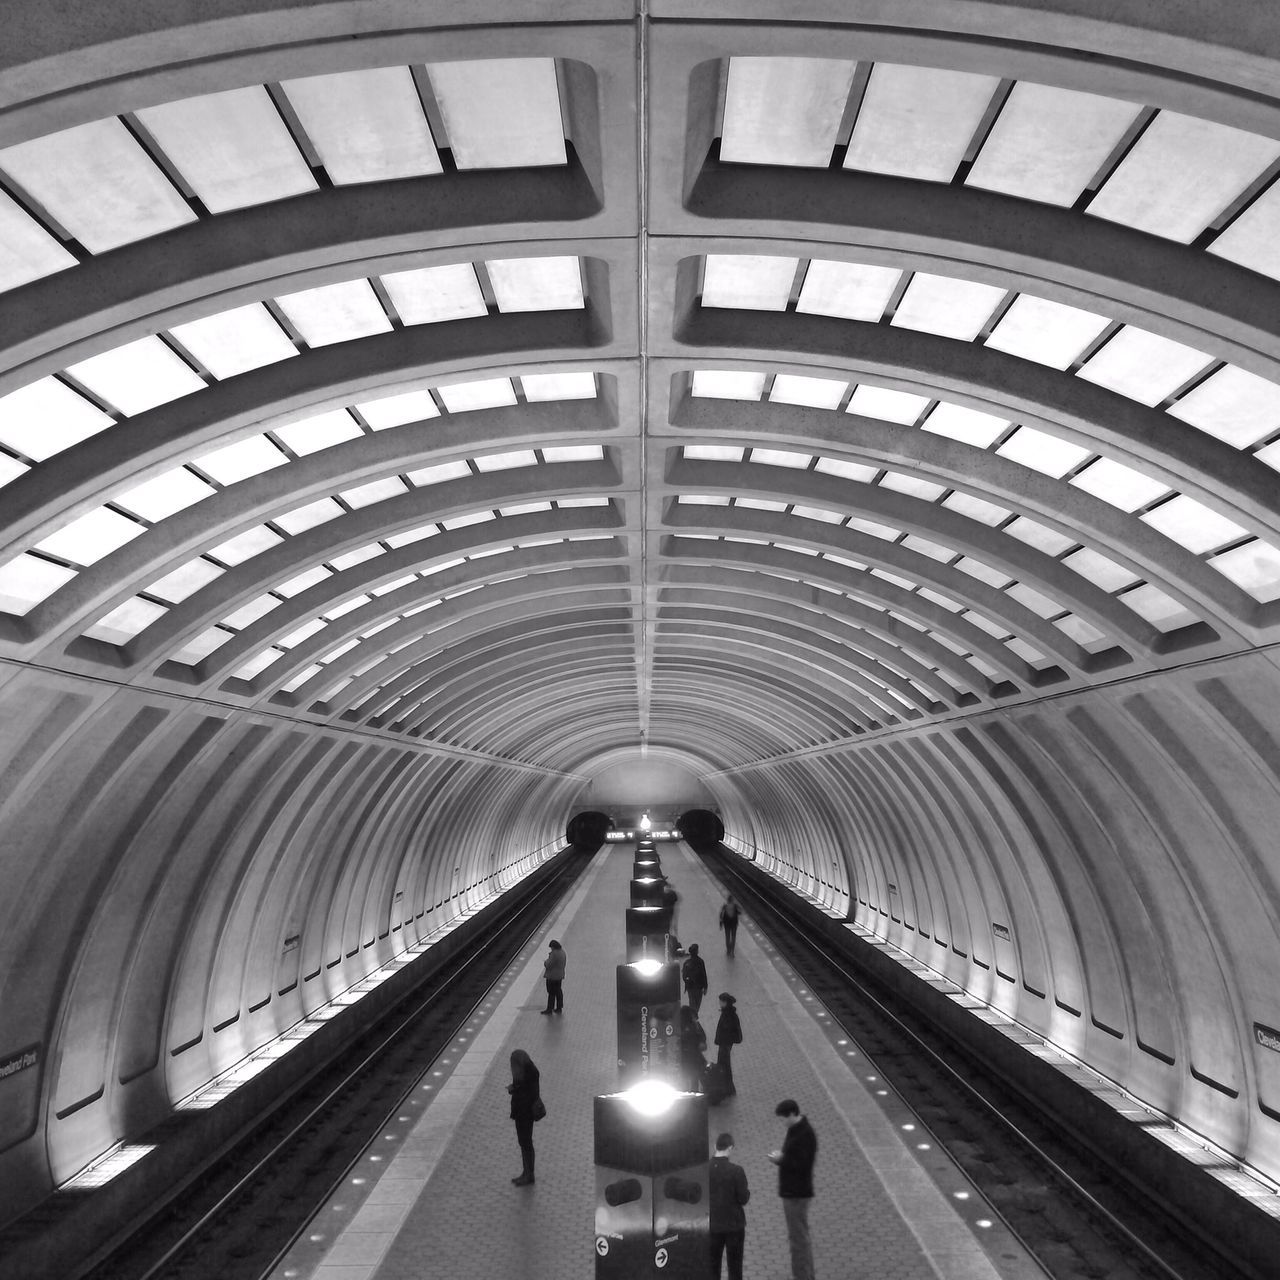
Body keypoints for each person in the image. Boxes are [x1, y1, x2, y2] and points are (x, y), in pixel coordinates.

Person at [769, 1099, 817, 1280]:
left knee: (798, 1241)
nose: (782, 1123)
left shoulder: (805, 1134)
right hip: (793, 1192)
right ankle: (806, 1275)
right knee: (799, 1238)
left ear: (791, 1114)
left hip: (796, 1194)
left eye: (783, 1118)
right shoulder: (796, 1129)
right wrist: (782, 1157)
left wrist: (780, 1159)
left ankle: (802, 1276)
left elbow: (802, 1165)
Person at [709, 1131, 750, 1280]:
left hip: (712, 1226)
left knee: (713, 1267)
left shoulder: (704, 1170)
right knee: (735, 1267)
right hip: (734, 1226)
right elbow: (743, 1198)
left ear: (715, 1146)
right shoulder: (736, 1171)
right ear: (730, 1148)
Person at [507, 1049, 542, 1186]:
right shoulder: (530, 1072)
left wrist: (513, 1090)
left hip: (524, 1114)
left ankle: (529, 1174)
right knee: (524, 1143)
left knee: (526, 1143)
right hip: (523, 1113)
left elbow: (526, 1094)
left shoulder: (526, 1076)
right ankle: (526, 1172)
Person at [713, 992, 741, 1096]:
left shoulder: (728, 1014)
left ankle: (727, 1088)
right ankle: (727, 1088)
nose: (719, 1003)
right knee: (724, 1065)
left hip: (725, 1043)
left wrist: (722, 1039)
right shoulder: (728, 1012)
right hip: (726, 1043)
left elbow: (727, 1029)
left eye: (720, 1001)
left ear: (725, 1002)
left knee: (724, 1065)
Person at [677, 1004, 706, 1093]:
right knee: (694, 1078)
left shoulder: (679, 1026)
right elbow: (702, 1036)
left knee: (686, 1078)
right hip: (694, 1056)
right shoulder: (695, 1025)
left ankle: (687, 1095)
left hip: (685, 1057)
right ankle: (695, 1095)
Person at [681, 942, 708, 1014]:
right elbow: (704, 974)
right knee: (697, 1004)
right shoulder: (700, 962)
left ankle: (693, 1016)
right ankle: (694, 1017)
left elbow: (684, 976)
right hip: (699, 988)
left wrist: (687, 981)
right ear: (697, 951)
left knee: (692, 1003)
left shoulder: (687, 963)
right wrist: (705, 987)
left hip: (690, 988)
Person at [541, 938, 566, 1013]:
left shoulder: (554, 954)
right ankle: (559, 1008)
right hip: (560, 975)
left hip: (552, 976)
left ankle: (549, 1009)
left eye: (551, 947)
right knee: (558, 991)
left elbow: (549, 964)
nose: (551, 949)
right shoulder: (562, 952)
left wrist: (545, 962)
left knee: (551, 992)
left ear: (553, 947)